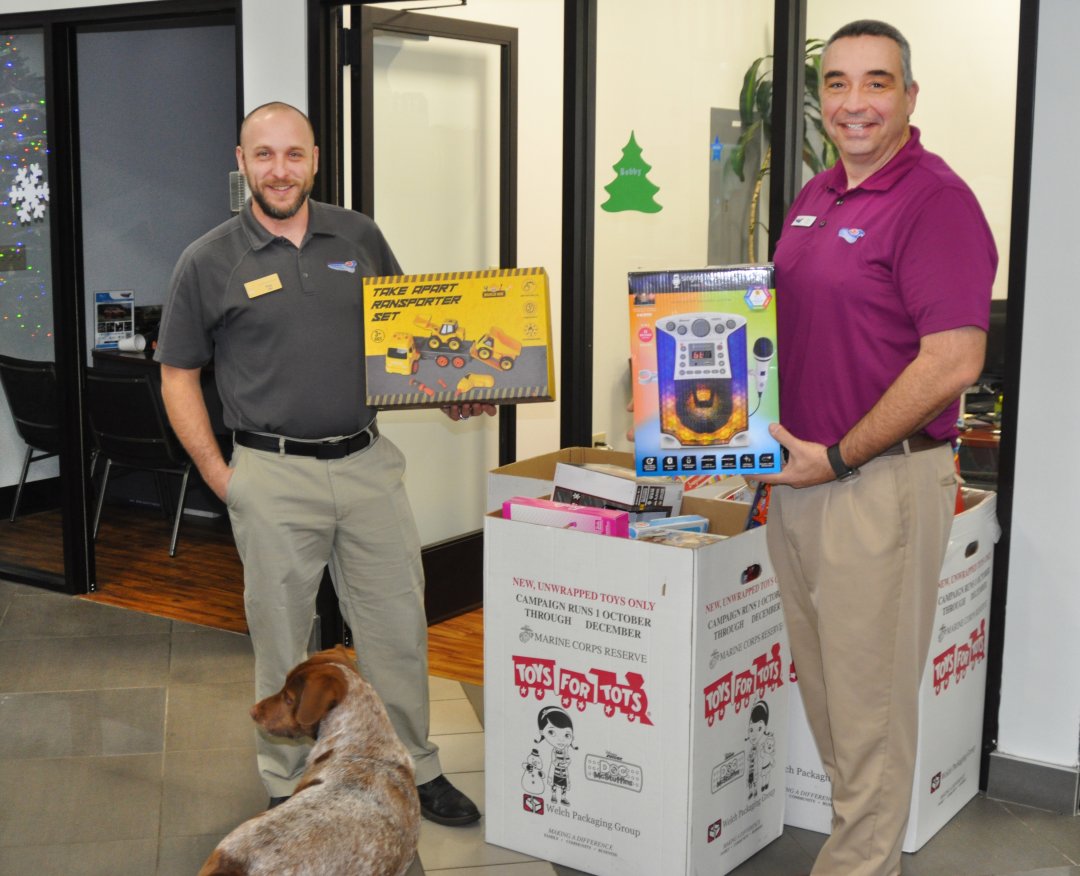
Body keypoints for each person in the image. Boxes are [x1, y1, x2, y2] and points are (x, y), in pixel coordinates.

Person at [156, 101, 491, 826]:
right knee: (282, 635)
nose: (281, 170)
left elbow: (407, 336)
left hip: (368, 465)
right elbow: (177, 373)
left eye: (294, 154)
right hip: (271, 475)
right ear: (241, 162)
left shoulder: (359, 236)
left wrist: (450, 393)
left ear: (315, 159)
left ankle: (414, 767)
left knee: (398, 627)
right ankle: (285, 781)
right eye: (265, 155)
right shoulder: (208, 259)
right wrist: (222, 477)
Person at [756, 21, 996, 876]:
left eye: (878, 83)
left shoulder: (936, 202)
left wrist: (843, 455)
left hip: (876, 486)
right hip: (802, 481)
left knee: (871, 715)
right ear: (820, 101)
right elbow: (783, 333)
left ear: (909, 97)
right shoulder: (817, 194)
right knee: (829, 699)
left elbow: (955, 360)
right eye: (838, 84)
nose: (855, 102)